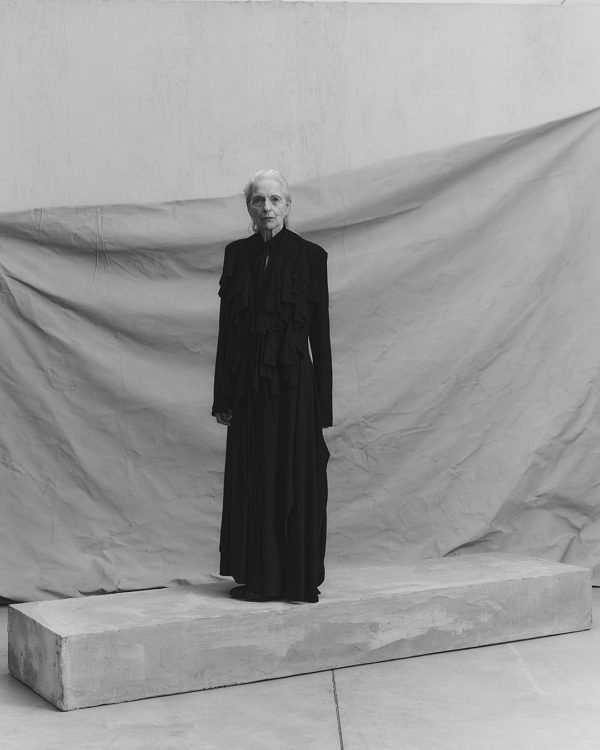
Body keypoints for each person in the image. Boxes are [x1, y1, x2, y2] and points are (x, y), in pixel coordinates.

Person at [212, 169, 332, 603]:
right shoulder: (236, 255)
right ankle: (260, 577)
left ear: (288, 205)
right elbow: (227, 333)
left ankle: (293, 578)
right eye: (258, 200)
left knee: (294, 478)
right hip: (248, 387)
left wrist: (323, 407)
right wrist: (223, 397)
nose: (267, 208)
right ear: (248, 206)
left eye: (275, 200)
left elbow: (320, 334)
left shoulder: (310, 256)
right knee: (253, 478)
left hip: (296, 388)